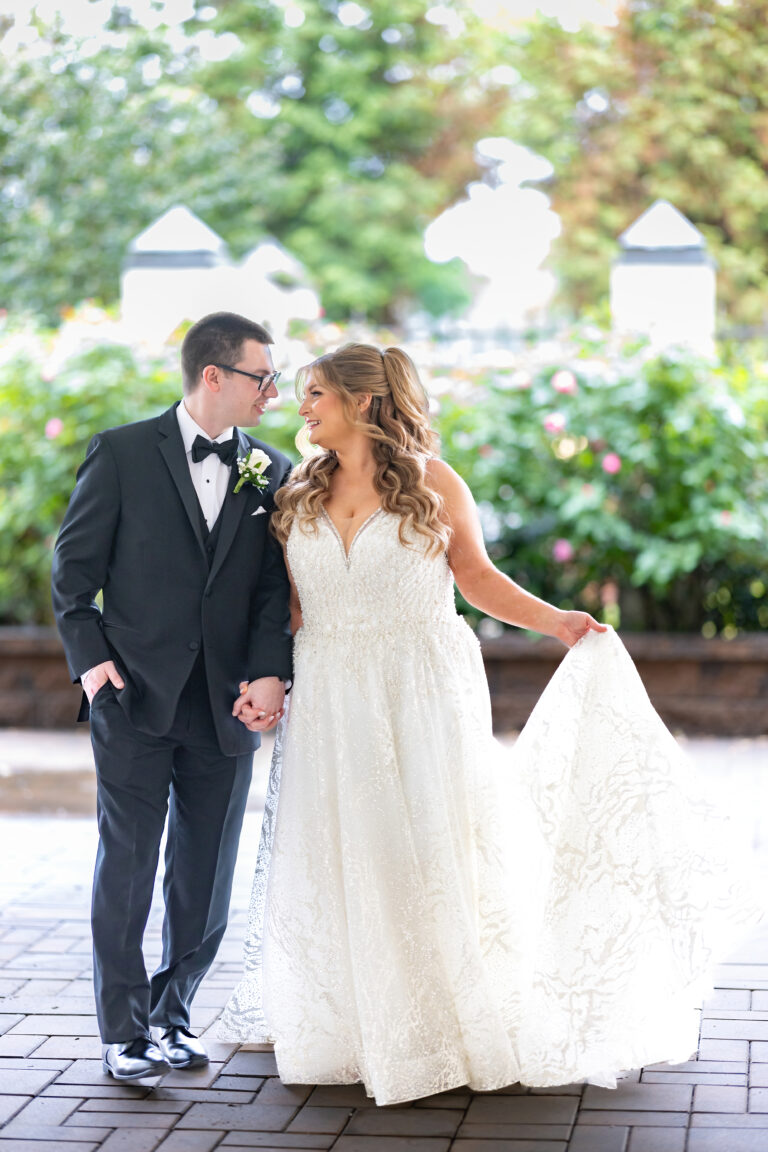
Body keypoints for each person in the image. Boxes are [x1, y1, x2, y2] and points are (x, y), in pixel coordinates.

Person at [219, 343, 755, 1106]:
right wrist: (264, 678)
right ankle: (356, 1021)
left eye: (316, 394)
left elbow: (475, 580)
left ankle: (442, 1020)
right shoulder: (299, 487)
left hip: (420, 686)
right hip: (333, 687)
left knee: (431, 842)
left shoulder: (433, 482)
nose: (301, 407)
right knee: (345, 842)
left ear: (364, 401)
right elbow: (292, 606)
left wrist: (559, 622)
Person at [51, 312, 292, 1081]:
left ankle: (172, 1011)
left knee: (206, 871)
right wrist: (92, 667)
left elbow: (268, 592)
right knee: (125, 863)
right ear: (214, 375)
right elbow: (72, 571)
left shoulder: (272, 469)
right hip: (134, 696)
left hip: (226, 705)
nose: (275, 392)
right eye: (264, 376)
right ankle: (122, 1033)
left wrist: (268, 672)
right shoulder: (122, 453)